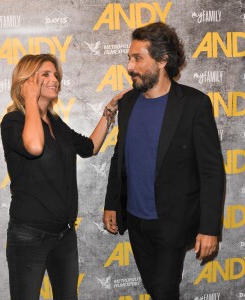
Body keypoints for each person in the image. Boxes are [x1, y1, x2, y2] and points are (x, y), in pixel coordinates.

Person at [103, 22, 225, 300]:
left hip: (172, 221)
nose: (129, 66)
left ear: (162, 60)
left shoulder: (194, 104)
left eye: (137, 58)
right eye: (129, 58)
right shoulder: (129, 102)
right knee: (155, 289)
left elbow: (211, 171)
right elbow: (119, 157)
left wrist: (209, 228)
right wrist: (112, 203)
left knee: (164, 291)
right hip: (135, 219)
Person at [0, 53, 122, 300]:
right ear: (27, 81)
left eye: (55, 74)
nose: (54, 79)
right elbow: (34, 146)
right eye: (45, 74)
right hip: (29, 235)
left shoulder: (55, 121)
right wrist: (31, 101)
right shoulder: (13, 121)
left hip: (64, 235)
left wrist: (109, 112)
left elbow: (90, 147)